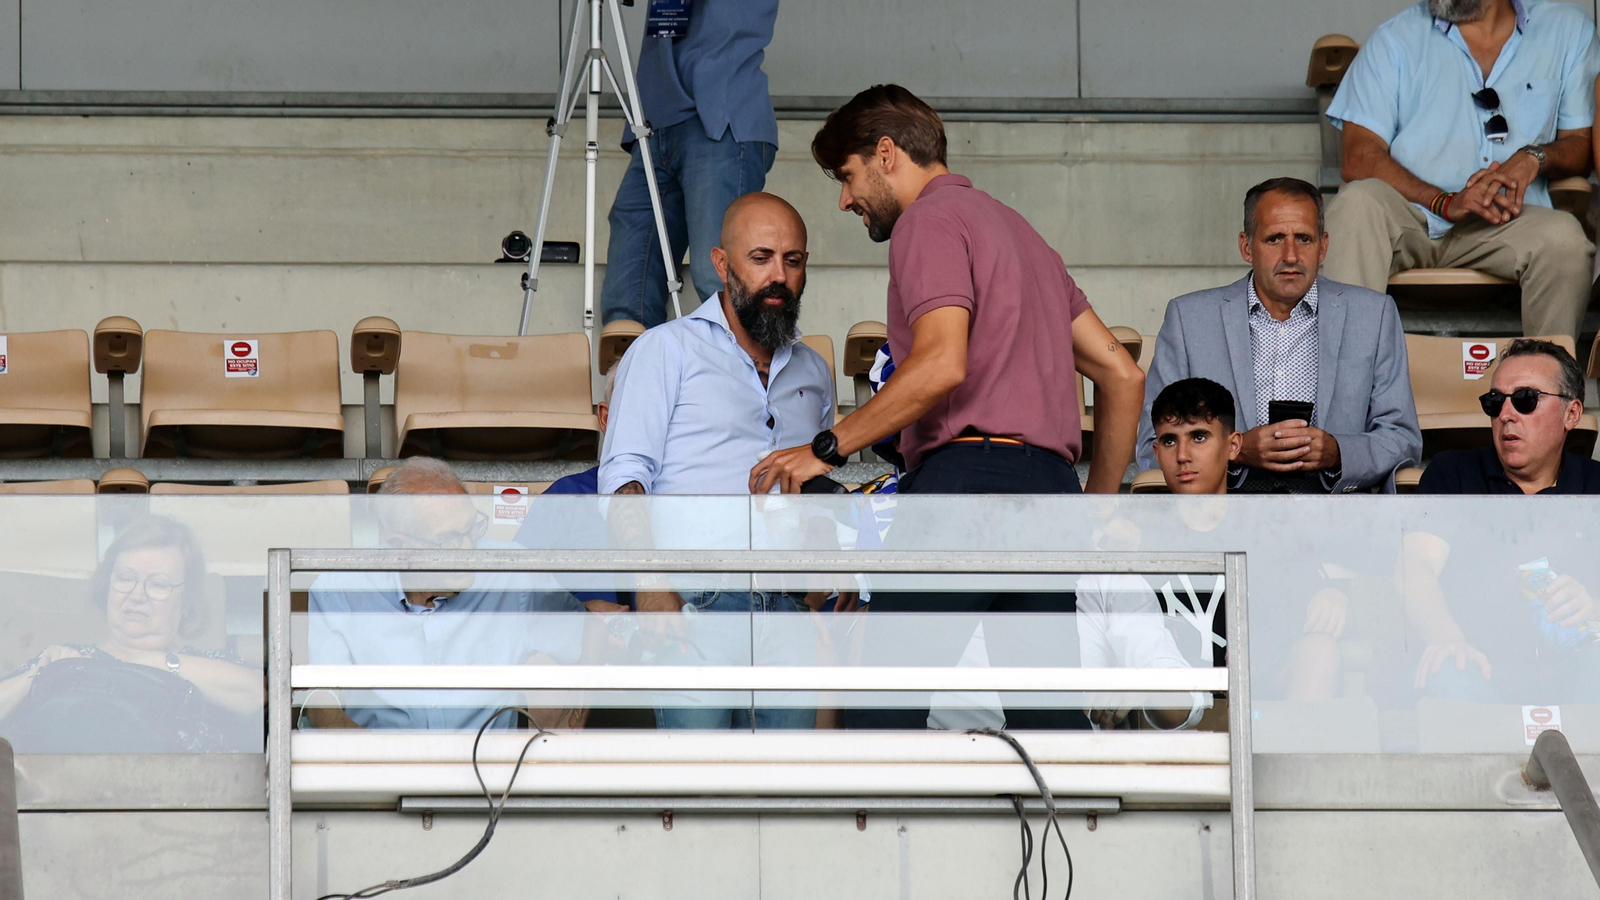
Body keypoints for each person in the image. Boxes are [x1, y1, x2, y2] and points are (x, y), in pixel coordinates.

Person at [752, 83, 1145, 497]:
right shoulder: (1025, 237)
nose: (845, 201)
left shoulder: (927, 219)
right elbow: (1123, 375)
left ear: (885, 153)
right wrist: (1099, 508)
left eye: (848, 176)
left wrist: (827, 449)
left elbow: (941, 363)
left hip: (966, 483)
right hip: (1055, 490)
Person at [600, 191, 827, 730]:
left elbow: (815, 491)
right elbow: (625, 478)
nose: (779, 275)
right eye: (761, 258)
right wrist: (651, 588)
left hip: (789, 609)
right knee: (697, 790)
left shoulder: (814, 370)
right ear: (721, 264)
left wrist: (821, 585)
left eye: (792, 261)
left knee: (785, 797)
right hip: (696, 604)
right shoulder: (665, 349)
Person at [1321, 0, 1600, 341]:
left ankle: (1544, 386)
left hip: (1507, 222)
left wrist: (1533, 158)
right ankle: (1347, 384)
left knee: (1566, 241)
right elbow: (1358, 155)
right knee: (1355, 205)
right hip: (1412, 217)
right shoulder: (1394, 39)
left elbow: (1580, 145)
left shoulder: (1567, 29)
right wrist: (1443, 201)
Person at [1140, 177, 1423, 494]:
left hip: (1335, 512)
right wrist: (1237, 448)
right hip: (1225, 507)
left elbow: (1402, 438)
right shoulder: (1189, 319)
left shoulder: (1373, 315)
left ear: (1323, 246)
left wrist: (1337, 452)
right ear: (1247, 247)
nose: (1291, 255)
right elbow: (1152, 442)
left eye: (1304, 239)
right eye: (1274, 239)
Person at [308, 457, 590, 731]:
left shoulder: (514, 574)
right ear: (402, 546)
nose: (468, 548)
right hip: (379, 768)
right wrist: (364, 758)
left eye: (472, 530)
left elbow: (589, 632)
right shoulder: (340, 589)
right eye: (451, 539)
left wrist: (565, 732)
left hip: (488, 771)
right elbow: (322, 701)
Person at [1404, 340, 1600, 703]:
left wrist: (1594, 605)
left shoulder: (1596, 485)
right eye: (1495, 402)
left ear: (1571, 414)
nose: (1506, 414)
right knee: (1449, 670)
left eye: (1525, 399)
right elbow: (1414, 564)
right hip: (1479, 664)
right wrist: (1447, 638)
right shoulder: (1454, 474)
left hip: (1579, 670)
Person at [0, 516, 260, 753]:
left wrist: (160, 662)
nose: (137, 595)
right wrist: (39, 675)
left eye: (158, 584)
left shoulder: (205, 664)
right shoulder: (68, 658)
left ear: (187, 602)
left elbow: (260, 695)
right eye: (125, 578)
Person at [600, 0, 780, 329]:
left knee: (719, 279)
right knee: (627, 289)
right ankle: (630, 375)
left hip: (721, 114)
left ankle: (745, 376)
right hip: (656, 118)